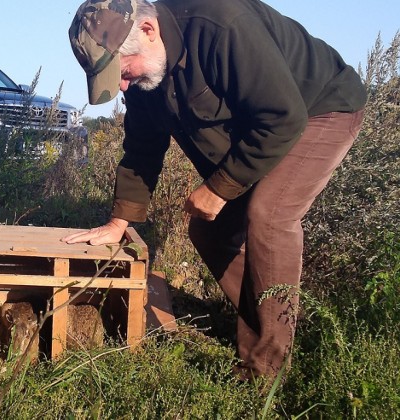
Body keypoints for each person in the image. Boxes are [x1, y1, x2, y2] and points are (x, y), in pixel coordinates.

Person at [63, 0, 367, 380]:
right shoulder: (147, 77)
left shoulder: (222, 25)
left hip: (320, 108)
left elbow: (282, 118)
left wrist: (220, 188)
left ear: (147, 31)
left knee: (269, 216)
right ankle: (270, 327)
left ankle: (268, 372)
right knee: (209, 229)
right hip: (263, 128)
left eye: (124, 71)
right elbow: (142, 148)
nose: (123, 85)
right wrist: (118, 220)